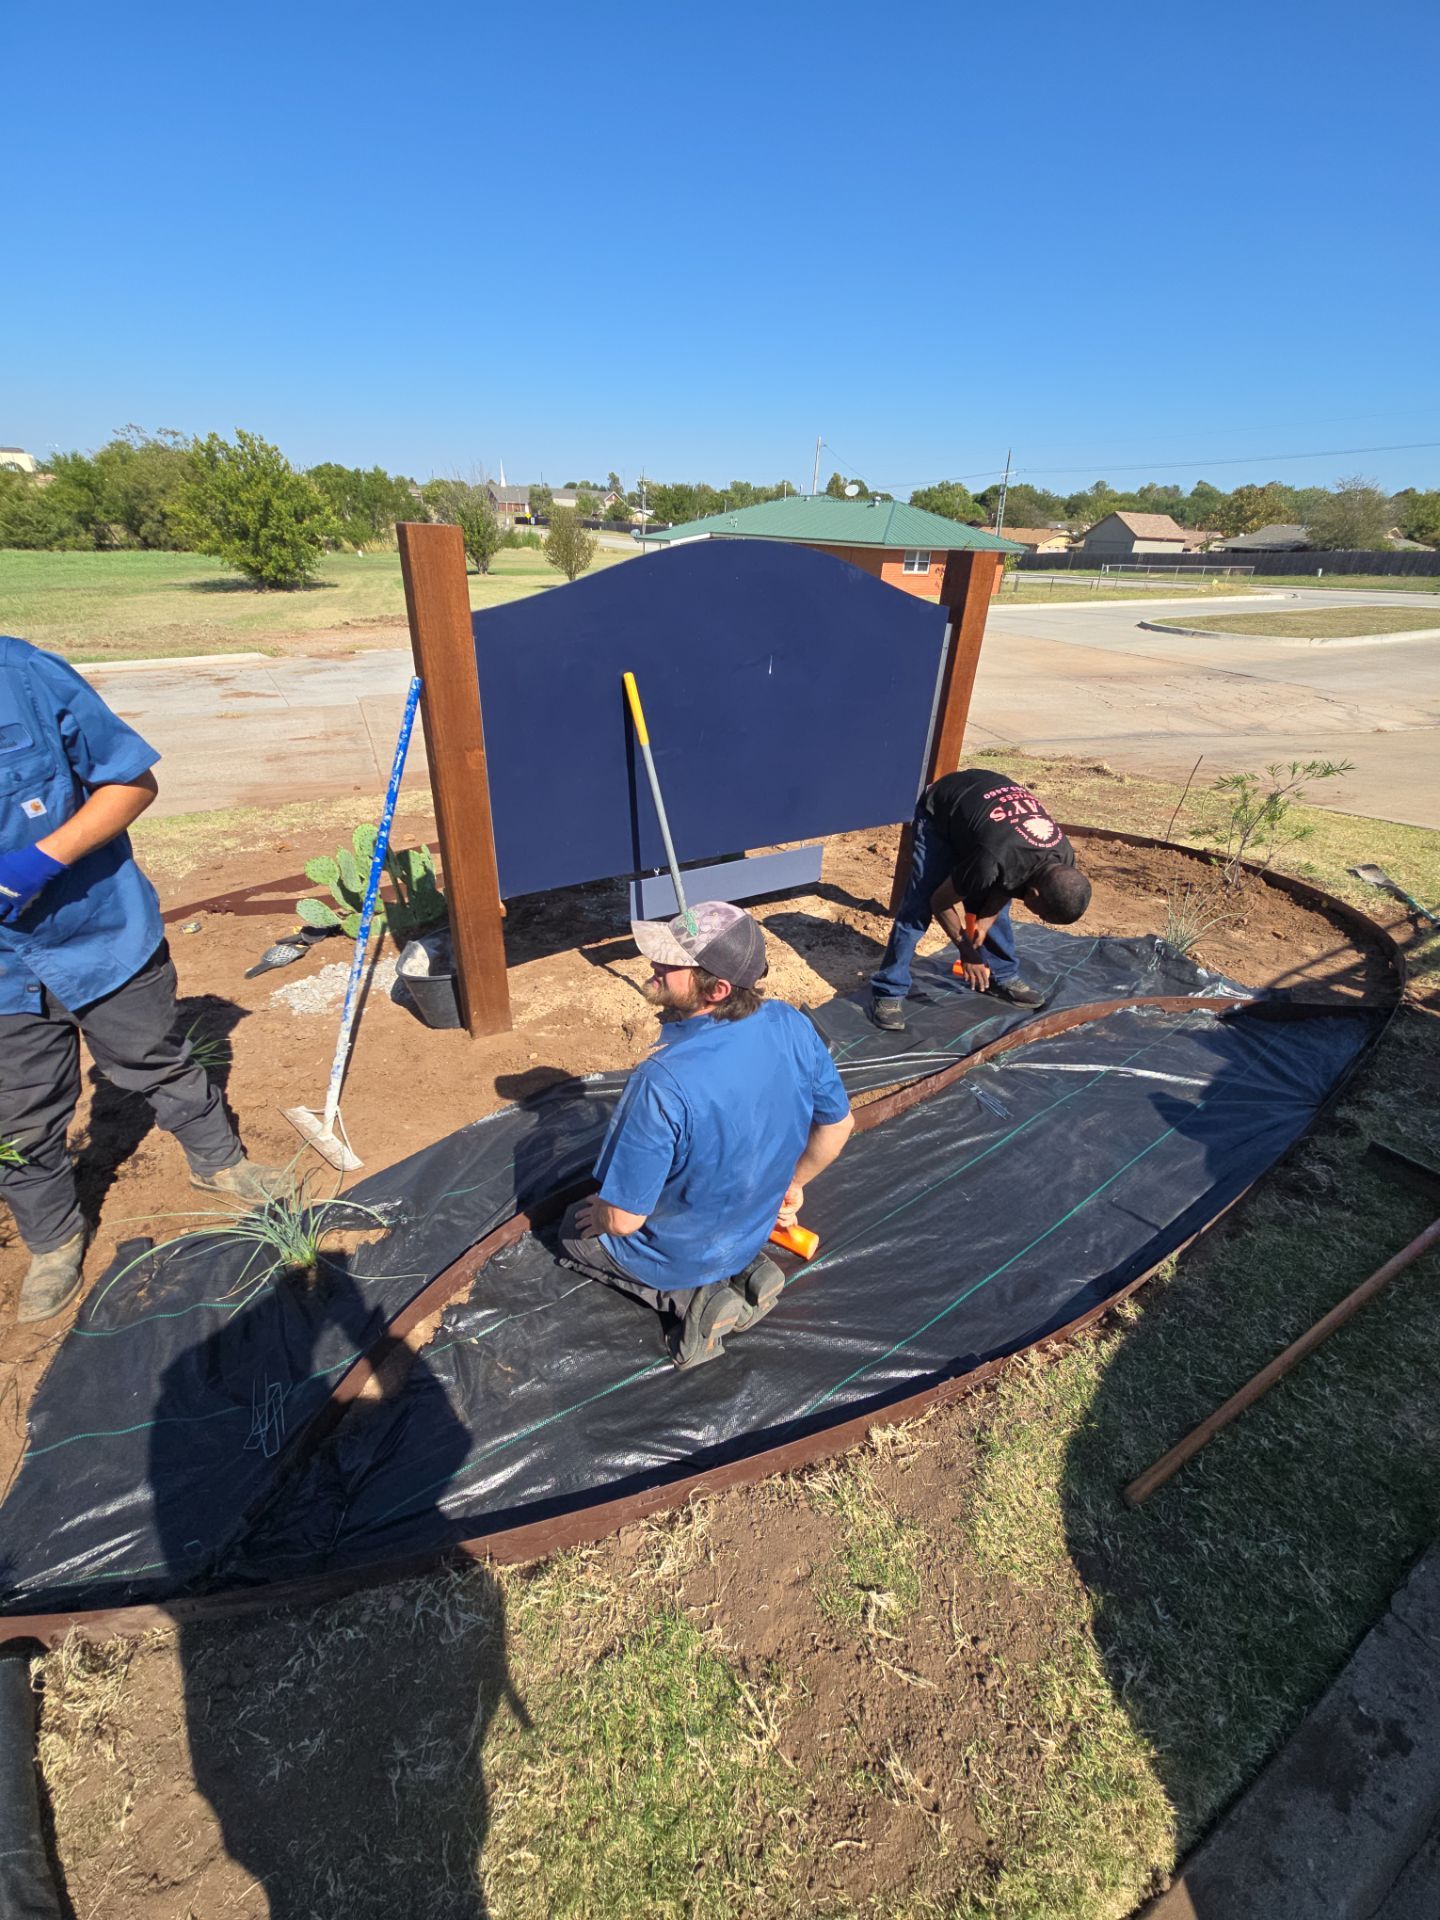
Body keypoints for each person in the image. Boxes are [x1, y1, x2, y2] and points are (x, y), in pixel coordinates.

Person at [0, 635, 288, 1323]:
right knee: (17, 1112)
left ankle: (218, 1161)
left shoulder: (23, 675)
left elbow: (131, 780)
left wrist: (37, 862)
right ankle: (53, 1238)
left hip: (98, 931)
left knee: (153, 1054)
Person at [559, 901, 854, 1370]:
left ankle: (687, 1299)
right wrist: (792, 1185)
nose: (654, 963)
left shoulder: (661, 1080)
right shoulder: (790, 1022)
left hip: (682, 1249)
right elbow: (838, 1126)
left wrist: (603, 1213)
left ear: (716, 989)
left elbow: (624, 1221)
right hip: (753, 1222)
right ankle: (744, 1266)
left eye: (672, 962)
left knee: (574, 1228)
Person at [870, 767, 1092, 1033]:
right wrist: (968, 952)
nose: (1038, 917)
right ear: (1035, 894)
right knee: (917, 904)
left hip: (986, 822)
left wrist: (984, 923)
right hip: (942, 811)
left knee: (994, 904)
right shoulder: (993, 860)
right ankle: (889, 990)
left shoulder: (1063, 857)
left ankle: (1002, 975)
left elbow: (1009, 884)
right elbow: (939, 902)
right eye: (1041, 915)